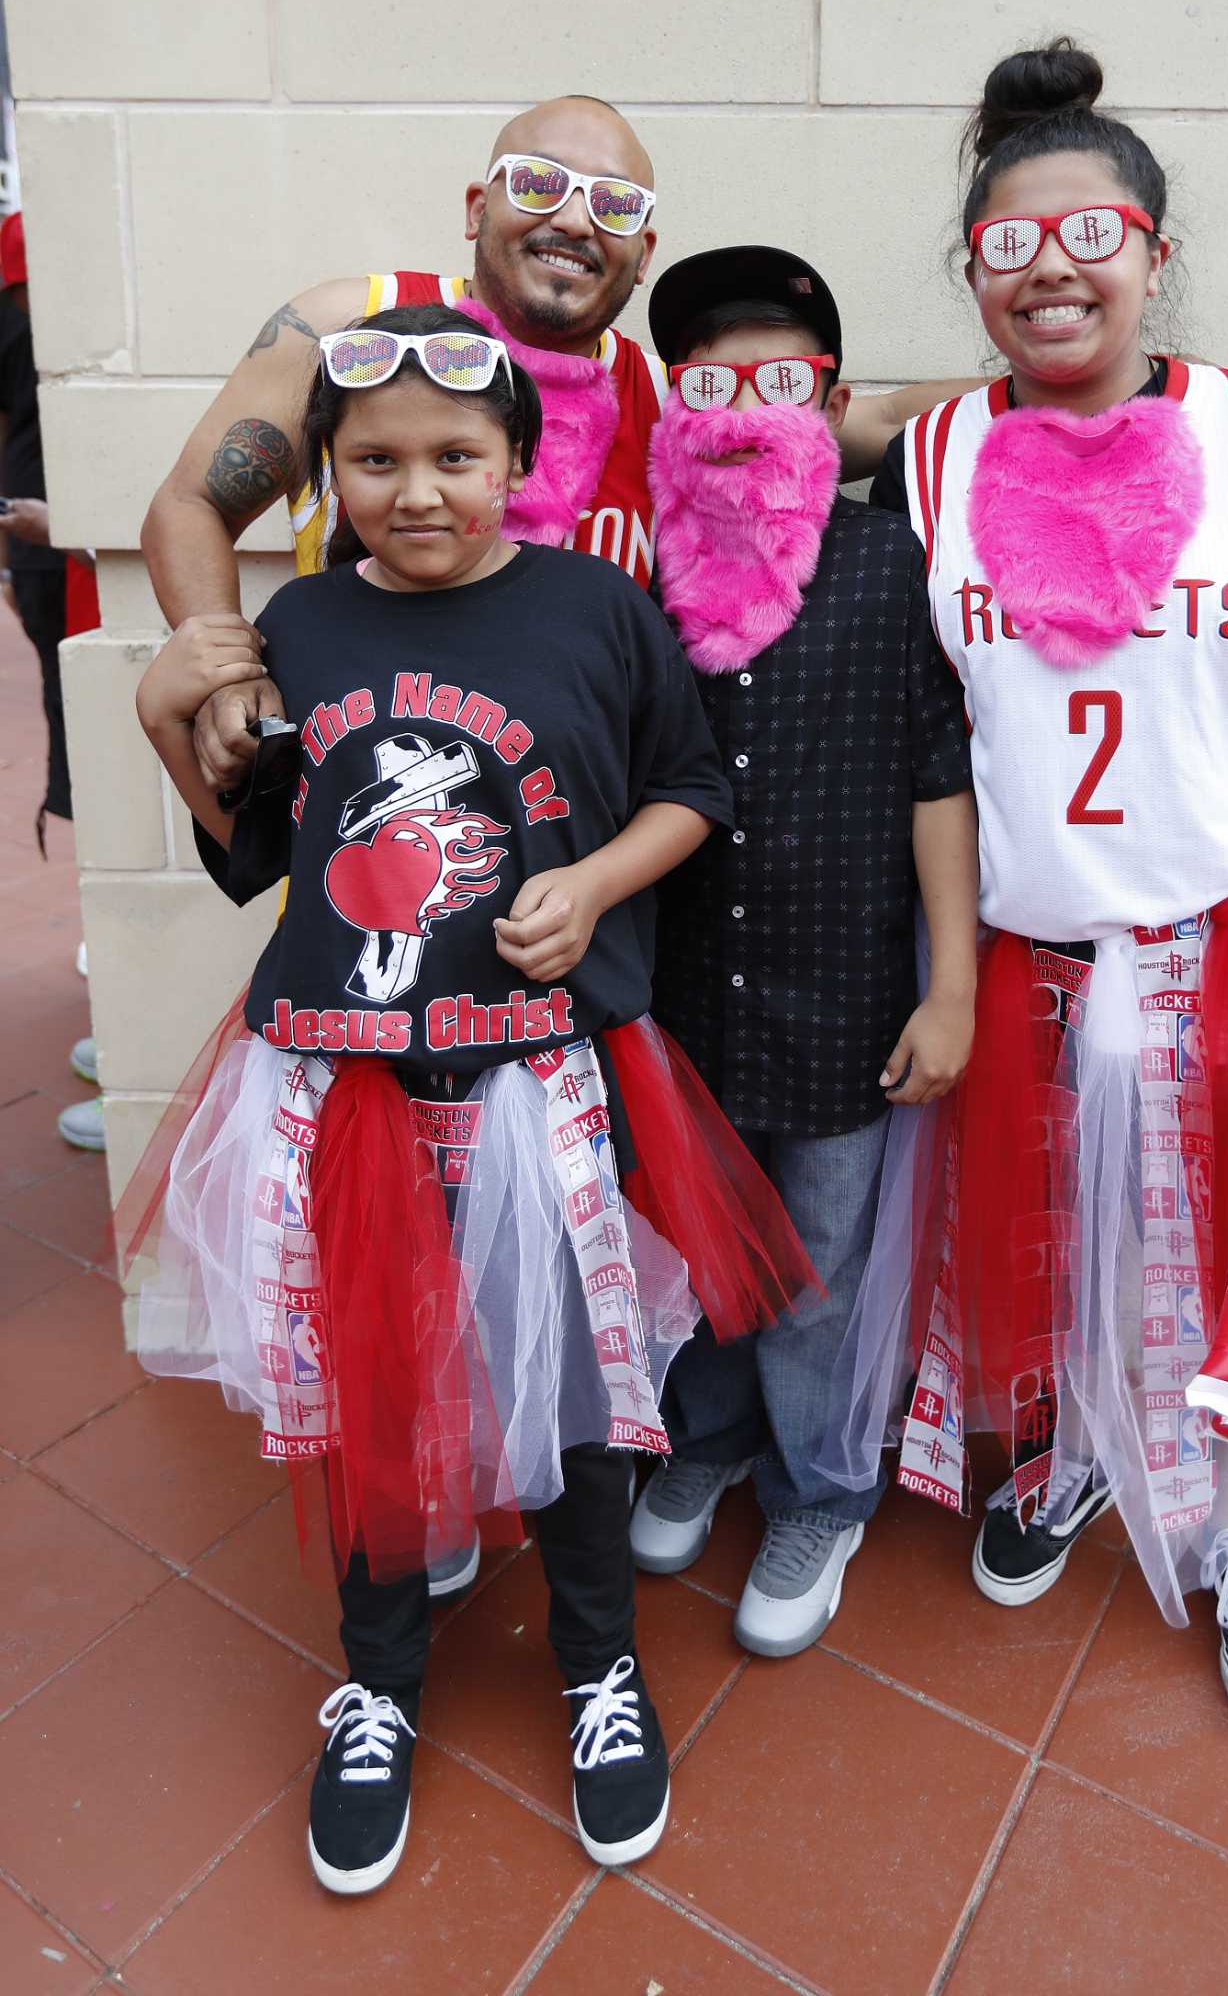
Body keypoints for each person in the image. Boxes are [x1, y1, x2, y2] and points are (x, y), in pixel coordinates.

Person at [130, 304, 814, 1891]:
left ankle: (597, 1665)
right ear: (329, 473)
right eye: (375, 460)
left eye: (456, 456)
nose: (416, 489)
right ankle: (376, 1679)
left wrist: (590, 883)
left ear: (519, 461)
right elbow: (254, 857)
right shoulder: (295, 625)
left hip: (534, 1080)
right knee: (371, 1385)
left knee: (565, 1386)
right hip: (339, 1079)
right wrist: (172, 718)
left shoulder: (593, 606)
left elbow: (693, 790)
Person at [872, 39, 1228, 1743]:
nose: (1050, 268)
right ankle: (1068, 1456)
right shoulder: (929, 464)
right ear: (974, 273)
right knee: (1045, 1239)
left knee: (1223, 1256)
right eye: (1007, 245)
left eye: (1093, 232)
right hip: (1024, 945)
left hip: (1226, 936)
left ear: (1156, 249)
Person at [141, 96, 975, 795]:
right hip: (376, 813)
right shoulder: (352, 330)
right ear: (477, 206)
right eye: (540, 184)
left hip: (578, 868)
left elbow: (877, 418)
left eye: (614, 204)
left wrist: (1064, 384)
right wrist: (225, 670)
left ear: (642, 254)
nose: (574, 218)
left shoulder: (666, 396)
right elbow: (190, 504)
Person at [624, 248, 979, 1653]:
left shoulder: (889, 558)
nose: (745, 405)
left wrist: (949, 984)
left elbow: (935, 775)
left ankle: (821, 1487)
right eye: (712, 379)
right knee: (697, 1240)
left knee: (820, 1260)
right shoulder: (644, 570)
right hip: (684, 991)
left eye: (782, 379)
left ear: (827, 402)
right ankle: (701, 1436)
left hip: (843, 989)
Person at [0, 210, 106, 1148]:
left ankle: (131, 1028)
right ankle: (124, 1023)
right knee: (98, 786)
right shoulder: (24, 244)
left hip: (89, 556)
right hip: (55, 559)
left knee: (125, 792)